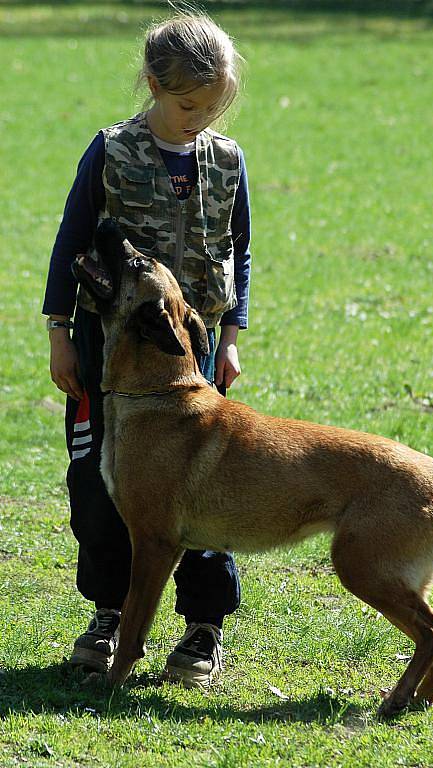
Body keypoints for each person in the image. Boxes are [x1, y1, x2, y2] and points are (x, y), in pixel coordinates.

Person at [42, 10, 251, 689]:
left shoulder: (226, 159)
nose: (200, 119)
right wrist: (59, 334)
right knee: (100, 487)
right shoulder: (111, 149)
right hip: (110, 357)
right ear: (154, 85)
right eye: (189, 104)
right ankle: (109, 615)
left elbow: (238, 250)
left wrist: (232, 335)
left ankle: (202, 628)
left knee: (207, 486)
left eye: (214, 106)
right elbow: (72, 242)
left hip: (194, 361)